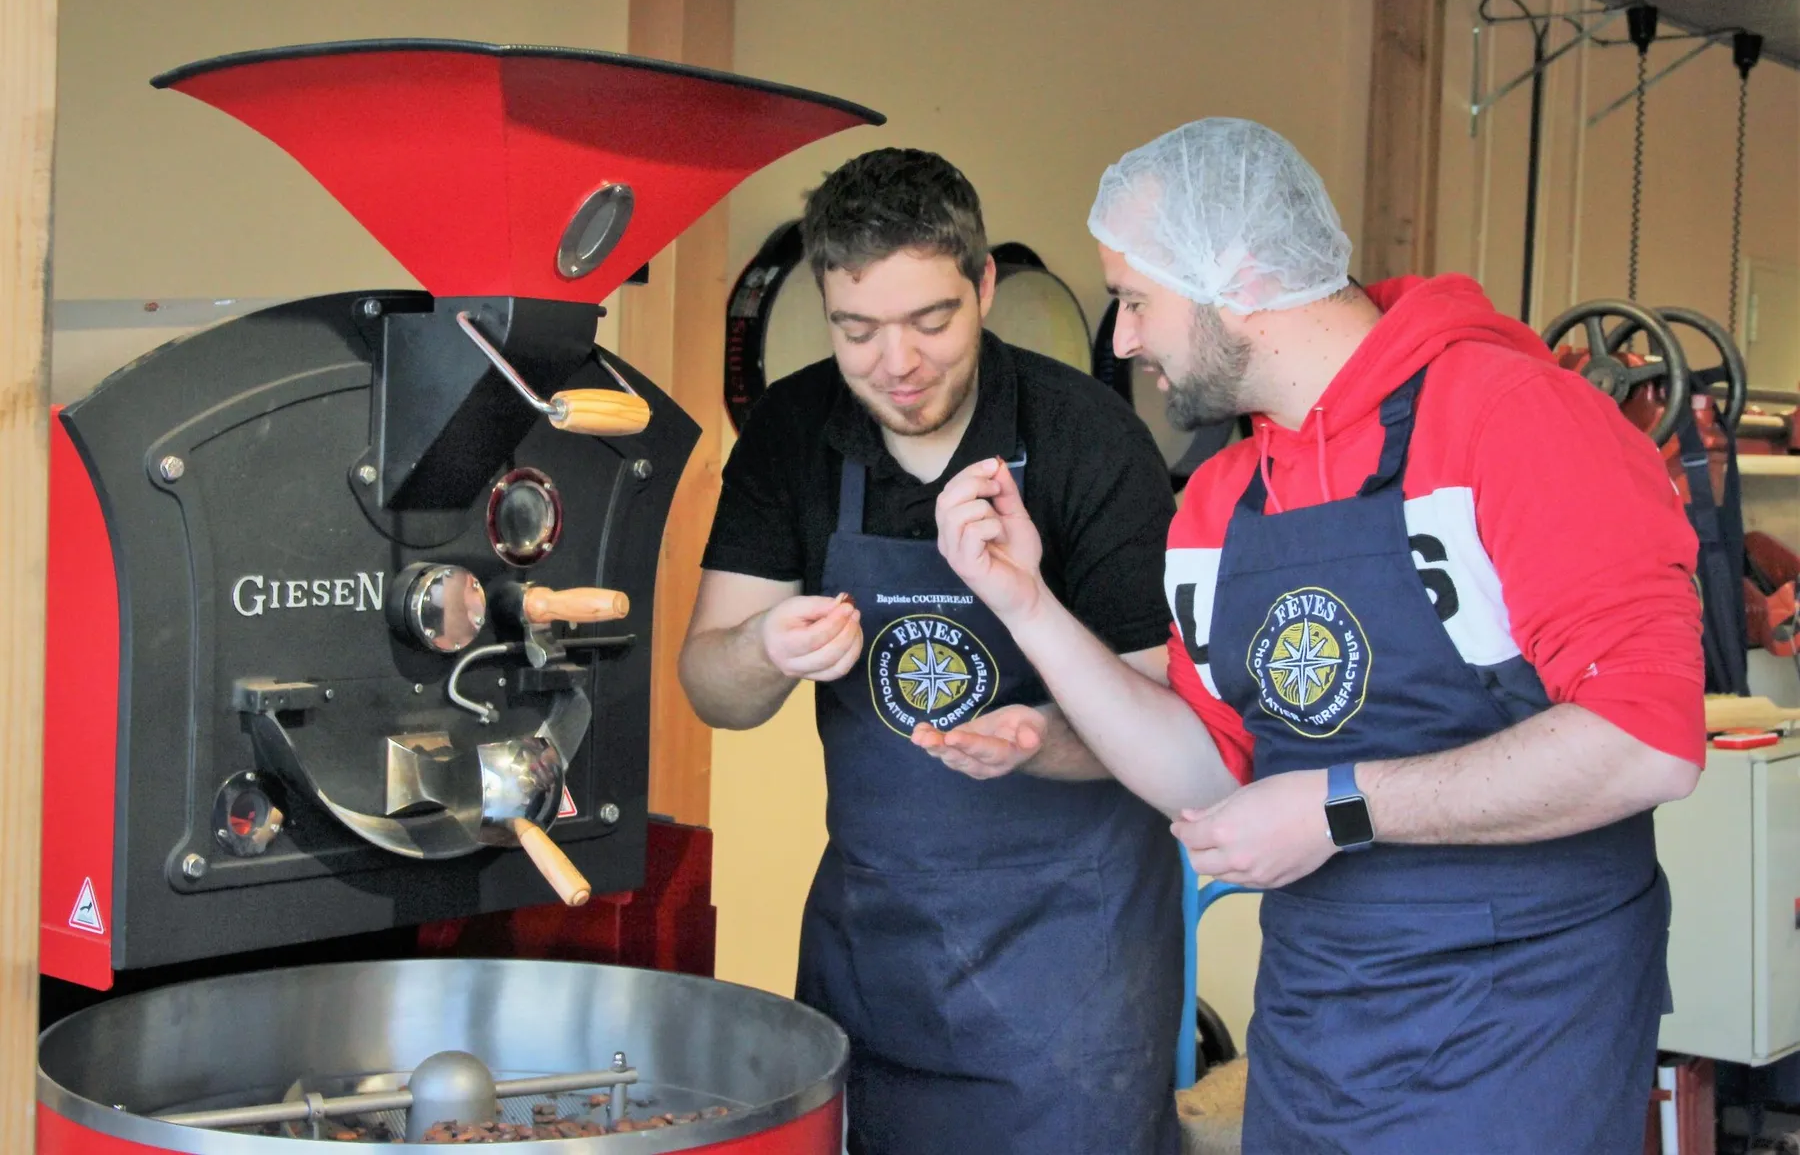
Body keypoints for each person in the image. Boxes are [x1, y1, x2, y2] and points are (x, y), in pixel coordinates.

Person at [931, 118, 1705, 1153]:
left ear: (1241, 281)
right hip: (1317, 1041)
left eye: (1136, 299)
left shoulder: (1515, 422)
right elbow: (1212, 778)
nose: (1121, 339)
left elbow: (1644, 740)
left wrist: (1342, 809)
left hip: (1519, 1039)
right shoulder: (1218, 502)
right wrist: (1027, 603)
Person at [678, 147, 1185, 1154]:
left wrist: (1038, 741)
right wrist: (765, 649)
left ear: (985, 285)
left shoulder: (1089, 438)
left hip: (1071, 974)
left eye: (931, 322)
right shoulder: (792, 430)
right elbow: (712, 688)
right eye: (858, 330)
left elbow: (1170, 723)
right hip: (877, 954)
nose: (896, 364)